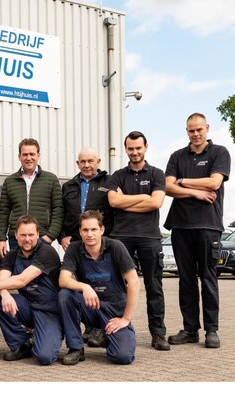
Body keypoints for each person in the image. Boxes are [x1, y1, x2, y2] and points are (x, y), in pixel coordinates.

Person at [164, 113, 231, 349]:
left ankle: (211, 330)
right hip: (180, 226)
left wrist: (182, 181)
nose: (195, 134)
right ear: (187, 131)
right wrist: (195, 192)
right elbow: (167, 187)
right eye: (191, 130)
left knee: (208, 278)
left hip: (208, 226)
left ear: (207, 128)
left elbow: (214, 182)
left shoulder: (219, 153)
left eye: (199, 129)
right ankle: (190, 329)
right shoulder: (177, 156)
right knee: (186, 280)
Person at [0, 215, 63, 365]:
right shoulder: (12, 255)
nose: (27, 239)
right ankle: (21, 344)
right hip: (27, 307)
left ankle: (53, 333)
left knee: (44, 357)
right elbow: (1, 281)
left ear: (38, 234)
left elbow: (22, 280)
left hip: (49, 311)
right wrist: (4, 293)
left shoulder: (47, 252)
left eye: (31, 235)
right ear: (16, 235)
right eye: (23, 235)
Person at [107, 131, 169, 351]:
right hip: (121, 237)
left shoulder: (157, 174)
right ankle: (115, 330)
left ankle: (158, 334)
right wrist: (143, 197)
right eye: (130, 148)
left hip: (149, 237)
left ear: (146, 147)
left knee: (154, 286)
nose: (134, 152)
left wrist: (126, 201)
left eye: (138, 148)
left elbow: (156, 203)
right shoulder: (117, 176)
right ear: (126, 149)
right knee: (116, 286)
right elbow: (113, 202)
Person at [57, 210, 139, 365]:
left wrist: (125, 319)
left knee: (122, 357)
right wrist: (84, 287)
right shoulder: (74, 249)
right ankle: (76, 348)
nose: (90, 234)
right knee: (65, 295)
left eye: (94, 229)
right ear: (80, 231)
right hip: (90, 308)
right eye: (85, 230)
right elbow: (63, 280)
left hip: (114, 312)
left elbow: (134, 282)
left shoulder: (115, 247)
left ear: (102, 230)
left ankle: (110, 337)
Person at [0, 138, 63, 260]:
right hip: (16, 238)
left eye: (32, 154)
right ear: (19, 156)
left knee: (40, 270)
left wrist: (50, 236)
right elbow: (3, 213)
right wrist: (1, 239)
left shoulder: (51, 179)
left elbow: (58, 210)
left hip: (41, 237)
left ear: (38, 155)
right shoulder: (10, 181)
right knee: (18, 269)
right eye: (25, 154)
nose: (28, 158)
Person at [60, 147, 114, 251]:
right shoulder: (68, 186)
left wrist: (111, 238)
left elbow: (117, 212)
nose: (86, 165)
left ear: (98, 162)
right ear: (78, 163)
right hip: (74, 242)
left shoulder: (110, 182)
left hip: (103, 241)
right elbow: (61, 213)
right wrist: (62, 237)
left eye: (90, 161)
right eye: (83, 162)